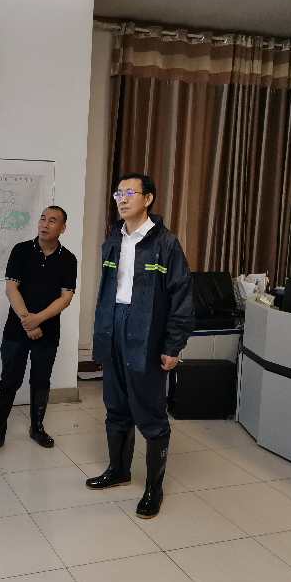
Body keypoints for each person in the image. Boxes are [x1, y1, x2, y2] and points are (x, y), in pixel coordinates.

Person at [86, 173, 194, 519]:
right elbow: (105, 294)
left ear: (148, 199)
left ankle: (153, 488)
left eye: (130, 193)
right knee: (116, 406)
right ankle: (119, 470)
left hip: (147, 333)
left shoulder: (166, 243)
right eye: (118, 193)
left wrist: (173, 346)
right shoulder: (113, 240)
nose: (122, 198)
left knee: (150, 413)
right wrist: (101, 337)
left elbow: (181, 297)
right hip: (113, 328)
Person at [0, 206, 78, 456]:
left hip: (48, 331)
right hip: (16, 330)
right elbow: (11, 289)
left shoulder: (68, 259)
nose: (45, 224)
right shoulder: (21, 250)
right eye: (43, 219)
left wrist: (38, 320)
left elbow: (66, 298)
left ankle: (37, 428)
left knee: (41, 381)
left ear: (63, 228)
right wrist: (27, 321)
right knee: (9, 381)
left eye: (52, 220)